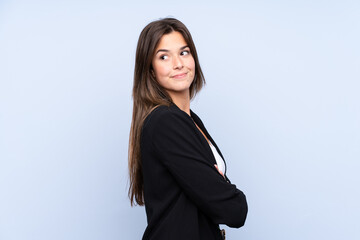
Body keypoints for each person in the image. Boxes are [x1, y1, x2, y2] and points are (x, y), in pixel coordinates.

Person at [128, 17, 248, 240]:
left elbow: (216, 198)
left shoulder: (191, 120)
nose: (178, 63)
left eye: (184, 52)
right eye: (164, 56)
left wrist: (218, 186)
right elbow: (234, 210)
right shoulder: (166, 122)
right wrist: (227, 191)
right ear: (151, 71)